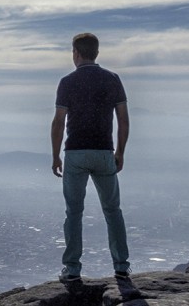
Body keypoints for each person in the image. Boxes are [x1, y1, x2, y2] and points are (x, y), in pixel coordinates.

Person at [50, 32, 130, 282]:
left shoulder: (67, 82)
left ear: (76, 53)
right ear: (96, 52)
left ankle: (72, 269)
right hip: (104, 151)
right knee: (113, 210)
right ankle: (121, 265)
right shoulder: (112, 79)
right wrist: (120, 151)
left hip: (75, 152)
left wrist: (55, 156)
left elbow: (59, 122)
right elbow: (123, 119)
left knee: (74, 212)